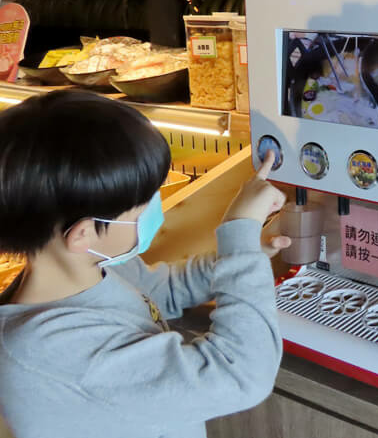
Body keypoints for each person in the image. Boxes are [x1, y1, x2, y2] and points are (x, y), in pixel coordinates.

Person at [0, 90, 290, 438]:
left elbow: (159, 291)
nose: (156, 208)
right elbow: (239, 372)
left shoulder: (92, 267)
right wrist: (239, 235)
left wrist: (239, 259)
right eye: (144, 204)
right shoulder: (54, 352)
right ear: (82, 234)